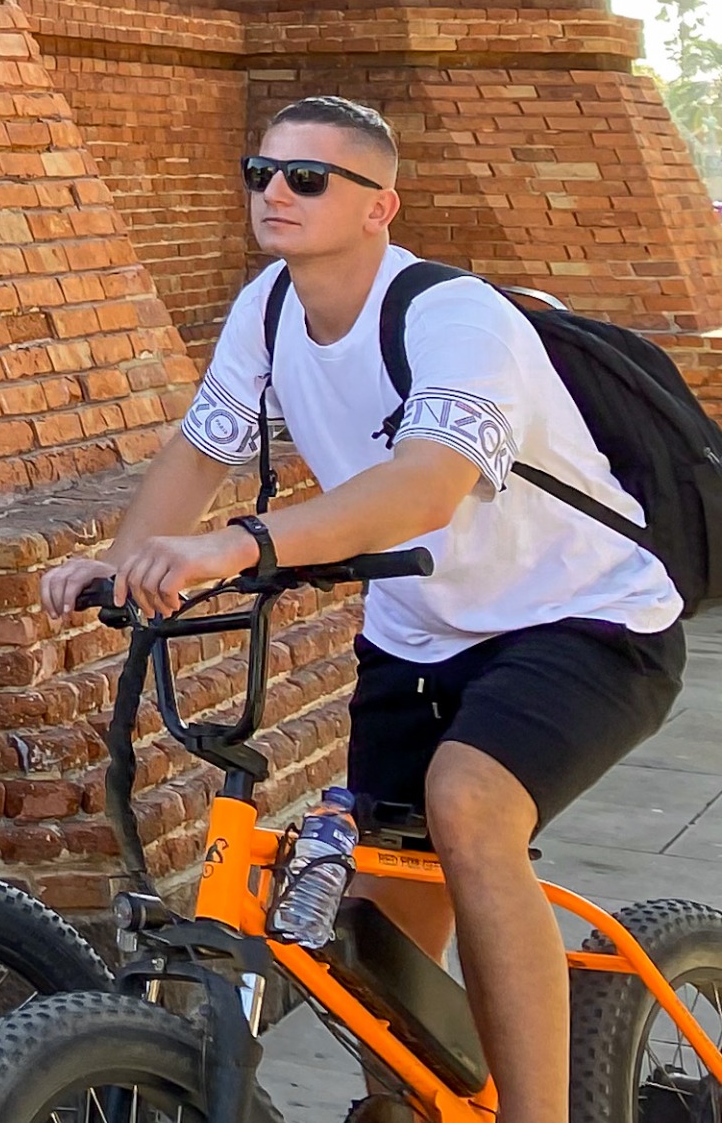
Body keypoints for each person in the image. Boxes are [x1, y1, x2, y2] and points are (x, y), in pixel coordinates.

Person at [40, 96, 683, 1123]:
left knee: (470, 808)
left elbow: (423, 486)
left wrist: (240, 544)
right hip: (419, 635)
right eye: (261, 172)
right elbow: (200, 454)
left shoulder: (453, 315)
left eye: (306, 178)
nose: (274, 194)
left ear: (381, 203)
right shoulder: (268, 309)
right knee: (383, 932)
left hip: (582, 619)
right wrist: (124, 565)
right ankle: (417, 1102)